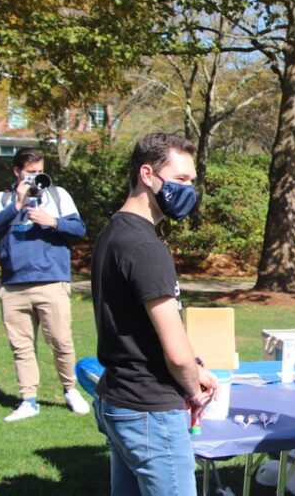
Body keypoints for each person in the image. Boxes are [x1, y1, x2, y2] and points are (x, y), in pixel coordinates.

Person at [91, 133, 218, 496]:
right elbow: (175, 352)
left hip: (119, 398)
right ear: (147, 174)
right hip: (150, 410)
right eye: (180, 180)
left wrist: (196, 368)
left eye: (192, 181)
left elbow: (139, 327)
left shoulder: (113, 232)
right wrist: (194, 390)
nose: (189, 190)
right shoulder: (147, 248)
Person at [0, 147, 90, 422]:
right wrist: (17, 206)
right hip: (13, 285)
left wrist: (52, 221)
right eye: (30, 173)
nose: (35, 178)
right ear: (17, 171)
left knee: (61, 340)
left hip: (51, 280)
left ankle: (70, 389)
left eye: (39, 172)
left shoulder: (57, 195)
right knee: (21, 346)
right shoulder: (1, 199)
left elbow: (80, 229)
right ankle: (28, 400)